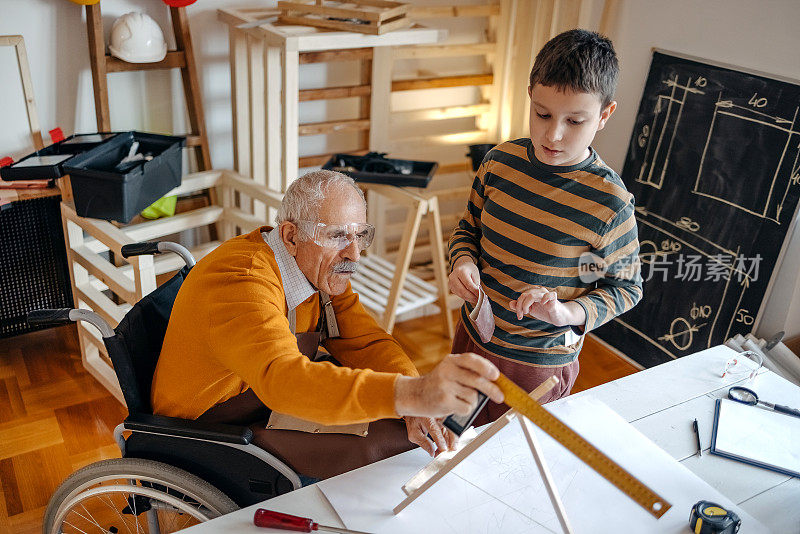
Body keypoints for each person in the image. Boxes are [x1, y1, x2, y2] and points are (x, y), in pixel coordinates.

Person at [151, 169, 504, 481]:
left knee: (401, 428)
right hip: (208, 430)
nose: (354, 254)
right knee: (387, 449)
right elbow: (286, 380)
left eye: (360, 235)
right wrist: (412, 394)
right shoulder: (242, 282)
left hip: (261, 400)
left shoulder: (315, 269)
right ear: (291, 236)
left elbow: (364, 342)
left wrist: (413, 395)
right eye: (337, 236)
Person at [448, 29, 642, 425]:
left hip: (538, 365)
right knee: (451, 440)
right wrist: (463, 261)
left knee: (513, 463)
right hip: (472, 336)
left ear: (604, 115)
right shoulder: (499, 162)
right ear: (531, 97)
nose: (553, 134)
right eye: (542, 114)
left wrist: (568, 313)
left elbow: (627, 288)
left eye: (575, 120)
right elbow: (468, 228)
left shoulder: (610, 203)